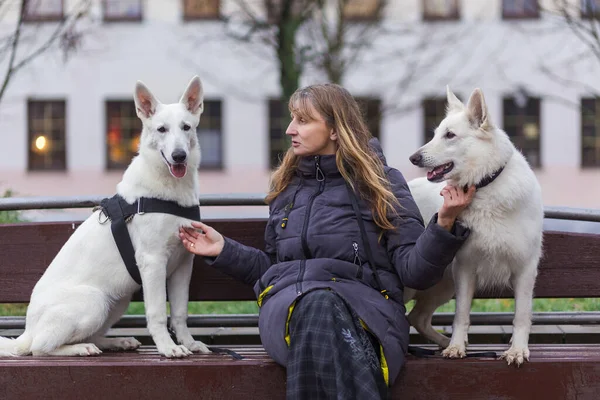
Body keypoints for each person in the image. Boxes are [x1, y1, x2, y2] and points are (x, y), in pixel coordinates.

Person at [179, 83, 475, 400]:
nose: (291, 129)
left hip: (368, 315)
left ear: (335, 129)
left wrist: (444, 224)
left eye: (303, 121)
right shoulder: (286, 186)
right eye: (292, 119)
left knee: (324, 315)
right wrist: (224, 250)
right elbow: (273, 269)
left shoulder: (381, 183)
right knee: (318, 305)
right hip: (288, 313)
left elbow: (414, 273)